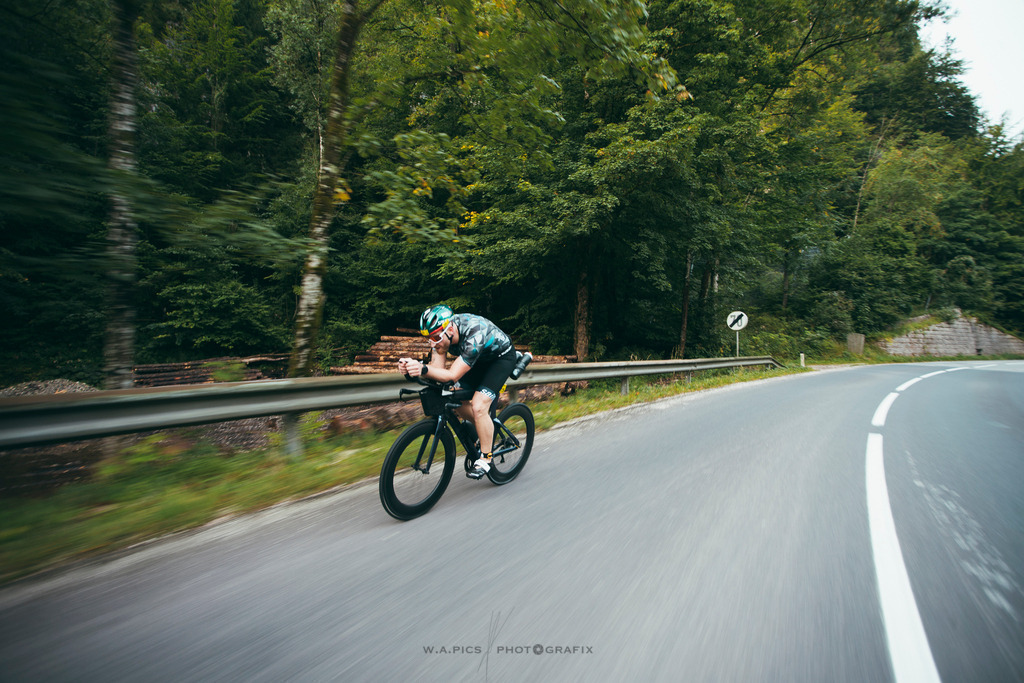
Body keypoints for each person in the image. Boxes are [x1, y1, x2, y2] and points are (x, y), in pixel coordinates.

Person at [399, 305, 518, 479]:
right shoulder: (441, 337)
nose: (433, 343)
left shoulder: (473, 333)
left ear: (450, 329)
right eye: (429, 338)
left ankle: (486, 458)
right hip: (478, 360)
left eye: (436, 337)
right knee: (453, 397)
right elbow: (437, 373)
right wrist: (412, 369)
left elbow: (452, 376)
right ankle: (483, 427)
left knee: (479, 406)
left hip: (500, 360)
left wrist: (423, 369)